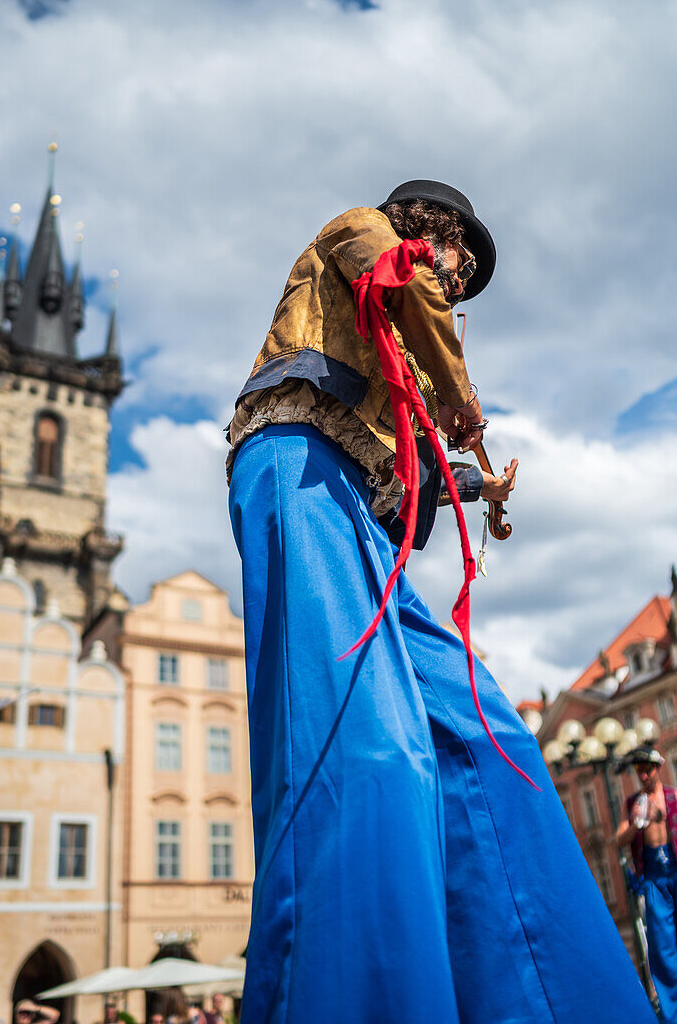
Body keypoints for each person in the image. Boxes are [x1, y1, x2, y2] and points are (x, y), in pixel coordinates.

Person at [227, 180, 656, 1022]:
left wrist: (472, 482)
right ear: (436, 229)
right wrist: (458, 395)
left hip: (359, 513)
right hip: (298, 469)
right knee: (372, 756)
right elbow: (401, 280)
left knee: (489, 741)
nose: (460, 284)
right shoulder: (362, 232)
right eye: (462, 263)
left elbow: (411, 480)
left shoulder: (412, 351)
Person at [617, 747, 677, 1020]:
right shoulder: (634, 803)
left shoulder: (673, 796)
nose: (643, 774)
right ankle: (671, 1015)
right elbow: (618, 839)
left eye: (647, 769)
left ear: (658, 768)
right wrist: (637, 824)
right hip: (653, 880)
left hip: (674, 870)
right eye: (639, 770)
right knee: (662, 949)